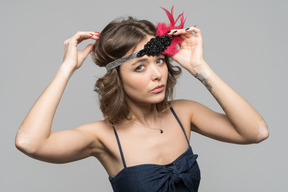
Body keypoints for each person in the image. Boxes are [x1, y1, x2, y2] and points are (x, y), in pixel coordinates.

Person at [15, 7, 269, 192]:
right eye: (140, 67)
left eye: (159, 61)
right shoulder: (101, 136)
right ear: (117, 78)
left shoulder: (185, 113)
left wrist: (200, 67)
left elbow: (256, 132)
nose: (158, 74)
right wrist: (66, 69)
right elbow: (29, 142)